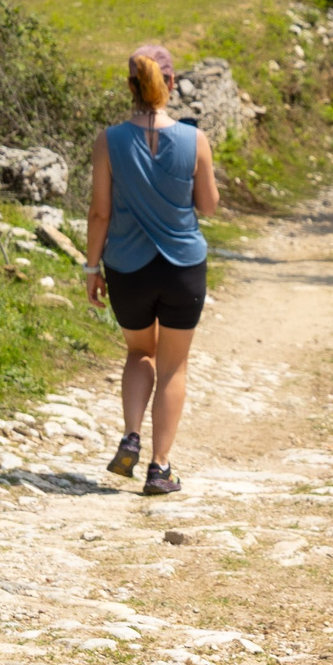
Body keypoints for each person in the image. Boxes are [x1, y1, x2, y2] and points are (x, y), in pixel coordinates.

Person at [84, 43, 218, 495]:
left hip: (127, 268)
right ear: (171, 84)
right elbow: (209, 206)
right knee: (173, 365)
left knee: (139, 352)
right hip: (183, 268)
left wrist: (90, 267)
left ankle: (131, 436)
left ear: (131, 85)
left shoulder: (109, 140)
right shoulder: (194, 139)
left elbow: (99, 212)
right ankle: (160, 468)